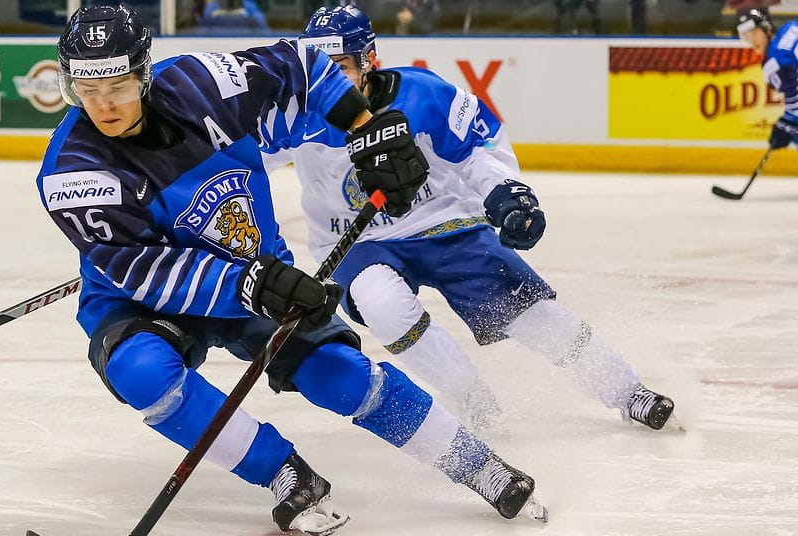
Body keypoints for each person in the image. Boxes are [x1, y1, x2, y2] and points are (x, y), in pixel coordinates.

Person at [37, 2, 547, 536]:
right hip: (140, 295)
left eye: (117, 86)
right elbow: (146, 271)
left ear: (143, 74)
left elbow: (303, 65)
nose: (103, 105)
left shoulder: (201, 84)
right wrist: (251, 285)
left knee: (338, 372)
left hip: (251, 265)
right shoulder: (72, 172)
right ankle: (281, 472)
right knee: (141, 371)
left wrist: (367, 128)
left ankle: (477, 463)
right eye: (86, 90)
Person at [263, 5, 677, 437]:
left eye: (340, 66)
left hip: (442, 223)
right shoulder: (294, 115)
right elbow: (242, 162)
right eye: (319, 68)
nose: (327, 80)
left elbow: (478, 144)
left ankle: (627, 391)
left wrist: (505, 193)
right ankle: (472, 400)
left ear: (368, 60)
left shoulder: (422, 94)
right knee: (383, 306)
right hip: (356, 243)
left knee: (530, 314)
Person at [738, 10, 798, 151]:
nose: (752, 41)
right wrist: (786, 122)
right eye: (747, 37)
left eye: (754, 33)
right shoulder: (790, 26)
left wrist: (786, 126)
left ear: (767, 29)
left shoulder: (774, 63)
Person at [198, 0, 268, 32]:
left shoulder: (249, 4)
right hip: (218, 41)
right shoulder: (213, 5)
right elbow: (203, 29)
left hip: (244, 39)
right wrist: (216, 15)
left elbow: (262, 28)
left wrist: (246, 15)